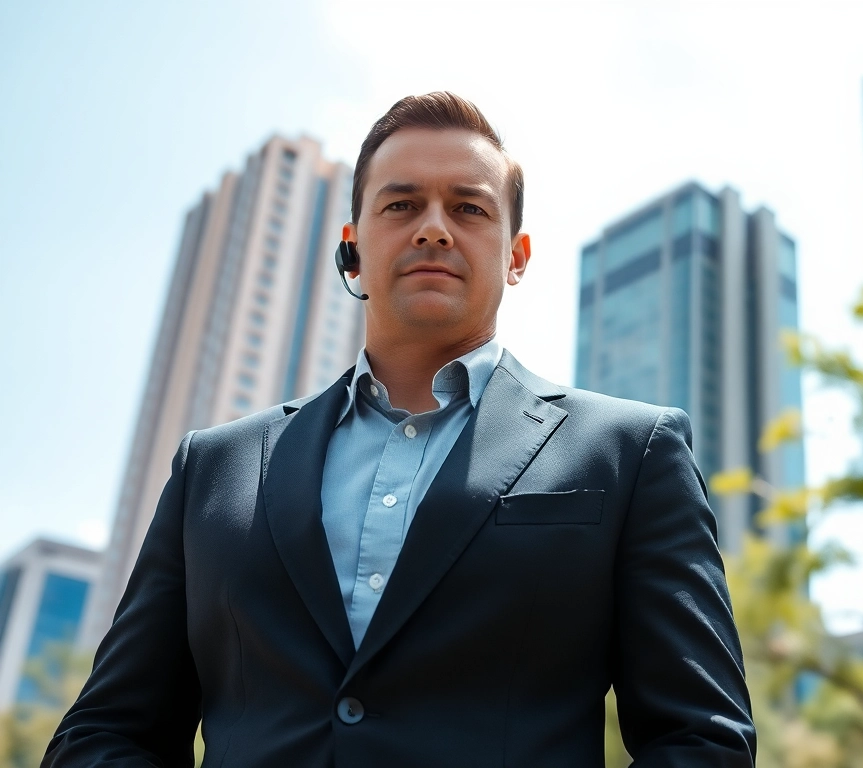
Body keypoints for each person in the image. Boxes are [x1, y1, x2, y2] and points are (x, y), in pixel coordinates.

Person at [45, 91, 755, 767]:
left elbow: (702, 740)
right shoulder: (213, 466)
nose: (434, 226)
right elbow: (107, 732)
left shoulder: (631, 452)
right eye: (402, 203)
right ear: (353, 246)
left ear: (517, 256)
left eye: (470, 208)